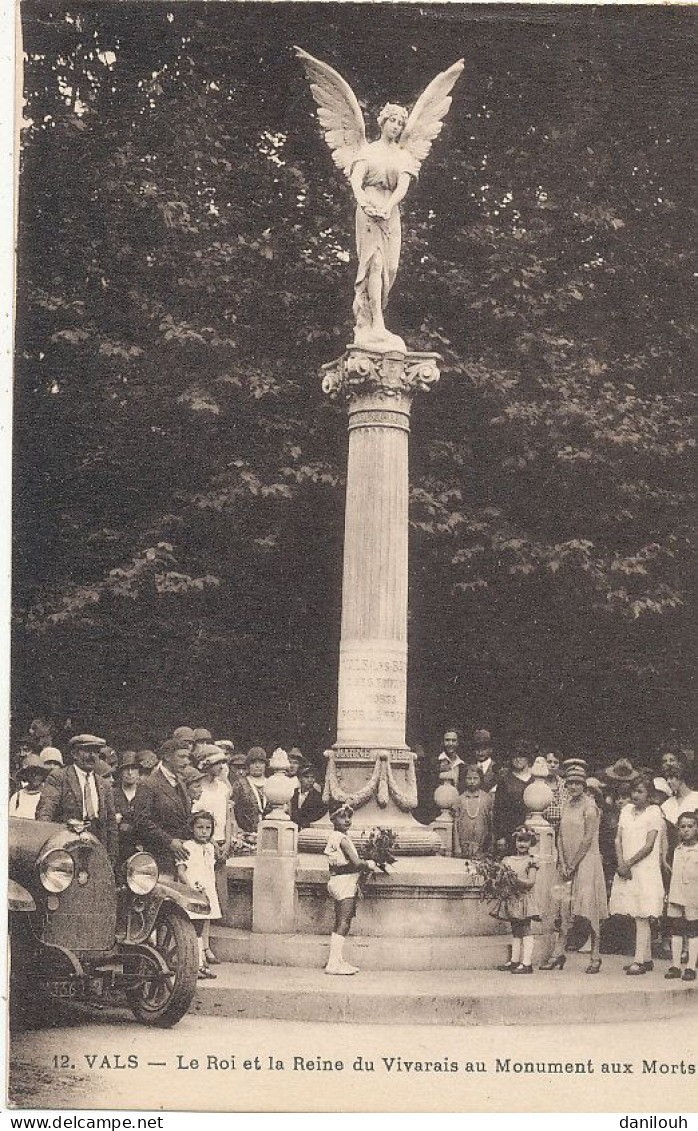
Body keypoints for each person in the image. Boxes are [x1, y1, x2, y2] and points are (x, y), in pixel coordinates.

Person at [349, 104, 418, 351]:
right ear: (383, 122)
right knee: (374, 264)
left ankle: (374, 317)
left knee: (390, 267)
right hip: (368, 208)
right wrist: (365, 203)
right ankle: (375, 324)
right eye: (393, 122)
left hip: (390, 211)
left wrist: (389, 206)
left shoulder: (402, 155)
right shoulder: (368, 151)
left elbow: (402, 185)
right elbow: (356, 182)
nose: (396, 127)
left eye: (400, 124)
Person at [541, 760, 608, 973]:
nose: (573, 787)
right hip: (566, 863)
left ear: (584, 785)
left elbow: (588, 839)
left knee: (589, 909)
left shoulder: (591, 807)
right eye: (570, 783)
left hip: (587, 862)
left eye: (577, 783)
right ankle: (558, 954)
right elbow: (560, 835)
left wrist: (574, 862)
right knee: (563, 908)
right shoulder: (565, 804)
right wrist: (563, 860)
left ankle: (595, 956)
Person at [609, 774, 666, 975]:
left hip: (644, 869)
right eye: (633, 791)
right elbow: (618, 840)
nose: (635, 795)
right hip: (627, 868)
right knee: (635, 913)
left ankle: (639, 960)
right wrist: (621, 864)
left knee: (643, 914)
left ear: (649, 795)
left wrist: (630, 863)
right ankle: (647, 958)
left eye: (640, 791)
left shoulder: (654, 812)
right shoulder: (626, 810)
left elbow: (649, 845)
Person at [36, 734, 119, 863]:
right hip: (66, 851)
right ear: (74, 754)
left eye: (96, 752)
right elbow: (45, 813)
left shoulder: (104, 785)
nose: (92, 756)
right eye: (87, 751)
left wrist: (111, 859)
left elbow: (111, 825)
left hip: (97, 851)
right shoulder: (59, 778)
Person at [324, 801, 375, 975]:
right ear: (333, 819)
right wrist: (370, 863)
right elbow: (356, 863)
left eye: (348, 816)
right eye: (341, 816)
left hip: (338, 880)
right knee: (344, 922)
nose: (346, 820)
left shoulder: (334, 837)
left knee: (340, 920)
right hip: (344, 882)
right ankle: (333, 963)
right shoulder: (342, 839)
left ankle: (337, 959)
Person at [133, 738, 192, 874]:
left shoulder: (181, 783)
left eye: (188, 757)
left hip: (182, 857)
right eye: (182, 757)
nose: (186, 762)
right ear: (167, 757)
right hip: (160, 857)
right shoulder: (148, 784)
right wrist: (169, 842)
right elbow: (141, 822)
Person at [177, 811, 221, 981]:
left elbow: (209, 871)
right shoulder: (187, 846)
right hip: (193, 892)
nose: (204, 831)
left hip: (207, 891)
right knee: (194, 927)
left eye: (208, 828)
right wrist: (192, 888)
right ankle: (196, 964)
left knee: (201, 927)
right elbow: (181, 871)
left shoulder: (210, 848)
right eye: (199, 827)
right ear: (192, 828)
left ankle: (201, 962)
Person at [496, 827, 540, 974]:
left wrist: (516, 879)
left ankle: (527, 963)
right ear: (514, 842)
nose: (522, 844)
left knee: (525, 928)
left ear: (531, 843)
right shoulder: (507, 860)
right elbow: (501, 878)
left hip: (524, 899)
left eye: (526, 841)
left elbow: (531, 882)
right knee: (515, 929)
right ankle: (514, 961)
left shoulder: (531, 861)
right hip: (512, 898)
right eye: (519, 840)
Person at [663, 810, 698, 981]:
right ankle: (675, 965)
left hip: (693, 895)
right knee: (676, 930)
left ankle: (691, 967)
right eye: (682, 826)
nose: (686, 830)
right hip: (676, 893)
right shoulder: (676, 850)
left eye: (690, 826)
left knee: (692, 931)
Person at [493, 740, 535, 847]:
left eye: (522, 756)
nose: (517, 759)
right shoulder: (505, 781)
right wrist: (500, 836)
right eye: (514, 756)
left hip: (533, 828)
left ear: (528, 758)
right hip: (510, 830)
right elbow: (498, 810)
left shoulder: (535, 780)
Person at [452, 764, 493, 859]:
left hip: (481, 846)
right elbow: (455, 824)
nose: (472, 781)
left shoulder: (487, 798)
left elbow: (490, 824)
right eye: (469, 778)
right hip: (463, 846)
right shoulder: (460, 799)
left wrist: (489, 847)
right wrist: (457, 847)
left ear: (480, 779)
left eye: (475, 778)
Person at [231, 747, 268, 834]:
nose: (257, 766)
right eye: (253, 763)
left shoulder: (271, 783)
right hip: (246, 834)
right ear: (248, 765)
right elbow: (231, 809)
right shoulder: (240, 784)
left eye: (261, 762)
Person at [112, 751, 142, 860]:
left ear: (138, 771)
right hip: (118, 847)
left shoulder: (146, 793)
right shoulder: (112, 793)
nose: (130, 773)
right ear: (120, 772)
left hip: (141, 847)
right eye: (126, 769)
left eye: (133, 769)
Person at [290, 762, 327, 829]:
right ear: (300, 778)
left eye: (312, 777)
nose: (310, 780)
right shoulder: (293, 793)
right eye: (306, 777)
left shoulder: (318, 797)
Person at [437, 729, 466, 793]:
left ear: (458, 743)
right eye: (447, 740)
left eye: (454, 740)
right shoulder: (436, 762)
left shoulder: (462, 765)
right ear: (443, 742)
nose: (450, 743)